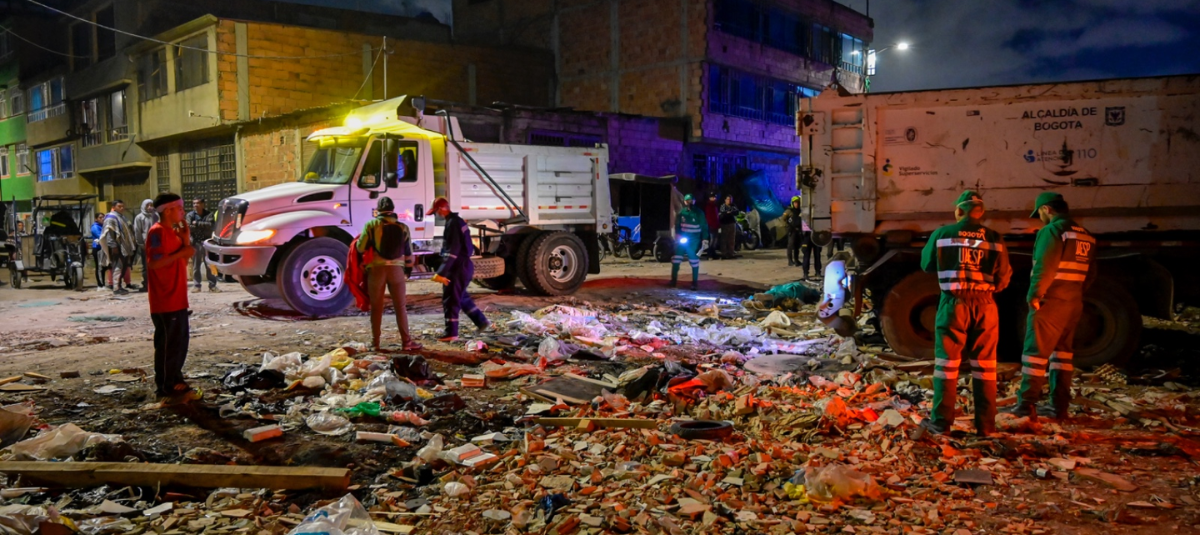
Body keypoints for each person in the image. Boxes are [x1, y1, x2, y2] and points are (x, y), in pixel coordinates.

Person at [919, 190, 1012, 436]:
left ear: (959, 211)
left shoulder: (942, 234)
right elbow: (1003, 280)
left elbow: (927, 265)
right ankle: (986, 426)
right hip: (986, 306)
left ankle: (941, 423)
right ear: (981, 213)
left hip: (953, 304)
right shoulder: (994, 238)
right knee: (985, 367)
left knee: (946, 366)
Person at [1006, 192, 1096, 420]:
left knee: (1035, 354)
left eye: (1039, 214)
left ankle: (1026, 405)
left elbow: (1044, 266)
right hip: (1073, 301)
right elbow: (1092, 273)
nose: (1040, 219)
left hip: (1051, 301)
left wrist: (1035, 294)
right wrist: (1075, 293)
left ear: (1046, 209)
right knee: (1063, 355)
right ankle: (1059, 407)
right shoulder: (1085, 235)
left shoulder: (1052, 231)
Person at [145, 192, 194, 398]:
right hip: (165, 300)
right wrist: (182, 252)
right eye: (179, 208)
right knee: (168, 344)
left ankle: (175, 378)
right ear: (168, 210)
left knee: (180, 342)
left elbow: (179, 262)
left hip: (178, 297)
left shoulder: (172, 233)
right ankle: (165, 385)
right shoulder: (157, 232)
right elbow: (154, 263)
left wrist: (184, 240)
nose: (183, 212)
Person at [357, 196, 421, 352]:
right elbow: (409, 255)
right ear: (392, 210)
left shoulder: (371, 225)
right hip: (396, 271)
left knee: (377, 308)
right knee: (400, 307)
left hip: (376, 271)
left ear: (378, 210)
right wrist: (408, 269)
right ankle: (406, 343)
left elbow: (360, 248)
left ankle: (375, 344)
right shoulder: (403, 227)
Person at [427, 197, 491, 342]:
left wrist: (441, 273)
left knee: (451, 299)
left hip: (458, 268)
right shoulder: (457, 221)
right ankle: (481, 321)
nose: (436, 216)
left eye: (435, 212)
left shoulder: (453, 224)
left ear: (441, 209)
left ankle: (451, 333)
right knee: (461, 297)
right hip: (463, 266)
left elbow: (452, 251)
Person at [669, 193, 708, 290]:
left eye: (691, 200)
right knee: (676, 258)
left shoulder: (699, 213)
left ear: (694, 201)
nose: (689, 202)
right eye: (687, 201)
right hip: (683, 238)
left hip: (694, 240)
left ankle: (694, 283)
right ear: (685, 202)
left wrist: (705, 239)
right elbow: (678, 225)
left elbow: (704, 226)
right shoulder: (682, 213)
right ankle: (673, 280)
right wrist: (678, 235)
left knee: (694, 260)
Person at [100, 200, 136, 295]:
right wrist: (113, 246)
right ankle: (116, 288)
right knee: (117, 267)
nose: (122, 208)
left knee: (123, 267)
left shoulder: (122, 217)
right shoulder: (111, 218)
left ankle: (119, 285)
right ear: (114, 207)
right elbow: (109, 233)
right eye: (119, 206)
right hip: (117, 246)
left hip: (124, 247)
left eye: (123, 206)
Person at [185, 199, 218, 292]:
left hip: (207, 242)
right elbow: (189, 227)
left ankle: (212, 285)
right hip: (196, 242)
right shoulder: (190, 215)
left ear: (203, 204)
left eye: (198, 203)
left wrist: (198, 223)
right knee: (196, 265)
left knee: (210, 265)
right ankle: (197, 285)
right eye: (194, 203)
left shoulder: (209, 214)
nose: (195, 205)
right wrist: (201, 226)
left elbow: (210, 226)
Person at [133, 199, 158, 293]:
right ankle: (146, 284)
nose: (150, 207)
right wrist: (140, 244)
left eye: (151, 205)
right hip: (145, 244)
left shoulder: (156, 216)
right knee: (146, 265)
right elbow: (137, 231)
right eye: (148, 205)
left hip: (156, 244)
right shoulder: (139, 217)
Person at [783, 196, 807, 267]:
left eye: (798, 203)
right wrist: (788, 227)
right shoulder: (789, 211)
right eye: (795, 203)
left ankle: (796, 260)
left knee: (797, 246)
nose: (797, 204)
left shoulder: (800, 211)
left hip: (798, 230)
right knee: (790, 245)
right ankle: (790, 261)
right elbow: (783, 219)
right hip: (792, 230)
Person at [718, 194, 738, 259]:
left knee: (731, 239)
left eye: (730, 199)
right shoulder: (723, 206)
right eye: (728, 199)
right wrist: (728, 213)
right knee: (724, 239)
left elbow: (736, 212)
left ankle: (731, 253)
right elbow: (723, 213)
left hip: (732, 224)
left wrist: (730, 212)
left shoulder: (733, 206)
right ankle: (724, 253)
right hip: (725, 224)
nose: (729, 201)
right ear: (725, 200)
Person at [89, 213, 106, 287]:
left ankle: (104, 283)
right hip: (98, 248)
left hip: (104, 248)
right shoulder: (95, 227)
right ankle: (100, 284)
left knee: (104, 267)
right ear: (96, 219)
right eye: (100, 217)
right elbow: (101, 237)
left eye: (103, 217)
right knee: (99, 267)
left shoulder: (103, 226)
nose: (102, 219)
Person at [703, 192, 720, 259]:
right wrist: (711, 225)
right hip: (712, 226)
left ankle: (712, 253)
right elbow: (709, 217)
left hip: (715, 225)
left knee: (715, 240)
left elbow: (716, 216)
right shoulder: (709, 206)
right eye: (713, 197)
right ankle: (710, 253)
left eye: (714, 197)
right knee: (712, 240)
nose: (714, 198)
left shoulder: (714, 205)